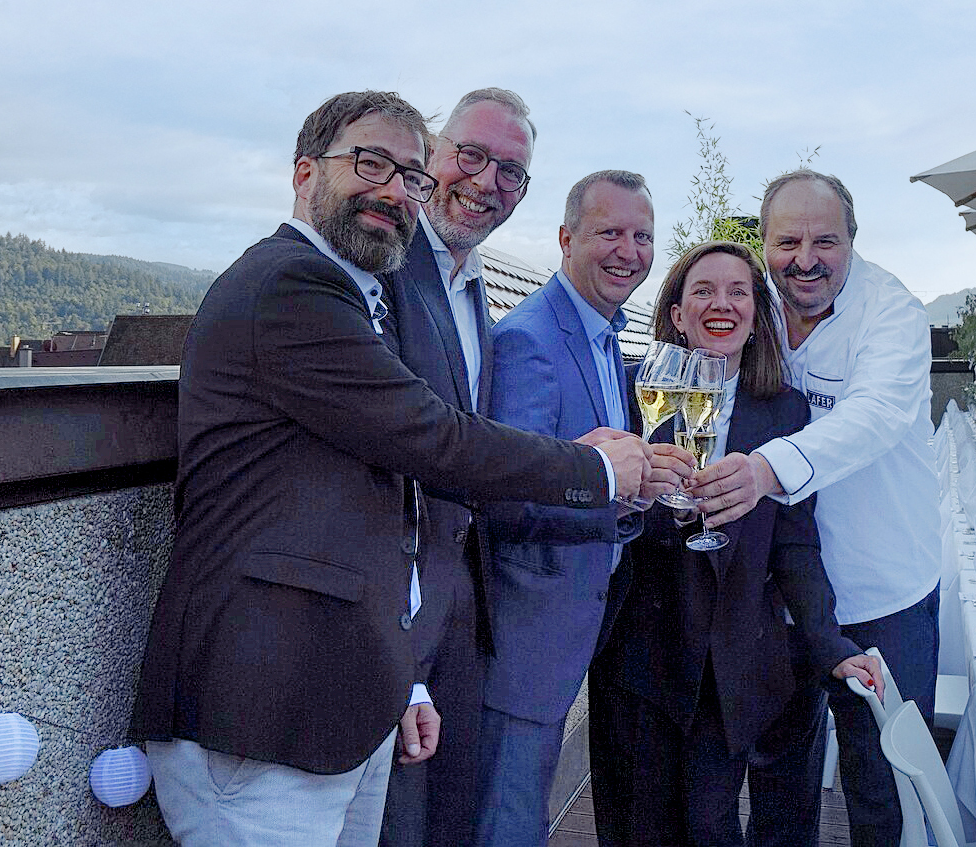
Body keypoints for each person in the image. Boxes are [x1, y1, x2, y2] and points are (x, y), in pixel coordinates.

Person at [129, 91, 651, 847]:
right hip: (262, 703)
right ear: (305, 172)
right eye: (369, 163)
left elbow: (380, 502)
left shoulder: (359, 294)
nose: (393, 189)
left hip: (340, 691)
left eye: (408, 175)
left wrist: (399, 675)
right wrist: (595, 468)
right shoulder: (290, 285)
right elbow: (433, 439)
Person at [589, 240, 882, 847]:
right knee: (636, 829)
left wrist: (829, 642)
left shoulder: (785, 413)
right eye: (703, 290)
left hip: (730, 668)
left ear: (755, 316)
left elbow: (796, 545)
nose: (720, 303)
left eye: (737, 292)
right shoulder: (627, 391)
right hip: (641, 658)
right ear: (676, 313)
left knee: (711, 825)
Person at [688, 170, 939, 847]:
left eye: (825, 240)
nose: (805, 259)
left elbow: (876, 415)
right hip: (781, 593)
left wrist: (766, 469)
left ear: (853, 240)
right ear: (763, 242)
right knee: (781, 780)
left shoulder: (892, 312)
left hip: (881, 590)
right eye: (787, 240)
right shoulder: (755, 302)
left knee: (882, 787)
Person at [475, 169, 690, 847]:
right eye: (610, 232)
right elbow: (506, 500)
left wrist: (642, 490)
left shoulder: (606, 336)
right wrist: (618, 501)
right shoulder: (529, 340)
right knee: (508, 823)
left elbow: (598, 476)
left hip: (575, 628)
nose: (628, 250)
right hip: (525, 640)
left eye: (642, 235)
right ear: (566, 238)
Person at [377, 87, 539, 847]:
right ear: (433, 154)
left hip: (458, 614)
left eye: (511, 171)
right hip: (389, 615)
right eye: (470, 155)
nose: (485, 181)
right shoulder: (382, 262)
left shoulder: (473, 288)